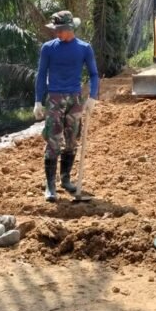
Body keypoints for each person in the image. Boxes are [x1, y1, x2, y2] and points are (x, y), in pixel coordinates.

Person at [34, 10, 99, 202]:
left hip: (75, 100)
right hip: (54, 99)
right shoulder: (48, 48)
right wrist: (38, 100)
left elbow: (94, 74)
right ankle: (50, 186)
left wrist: (93, 96)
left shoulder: (84, 48)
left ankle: (65, 179)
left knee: (71, 142)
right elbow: (41, 74)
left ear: (69, 29)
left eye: (59, 30)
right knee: (53, 143)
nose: (56, 34)